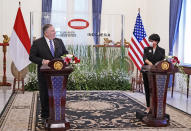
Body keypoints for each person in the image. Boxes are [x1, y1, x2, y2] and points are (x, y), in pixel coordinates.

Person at [29, 24, 68, 120]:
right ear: (46, 33)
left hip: (59, 74)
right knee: (45, 94)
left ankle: (57, 113)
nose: (55, 32)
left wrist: (68, 58)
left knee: (57, 94)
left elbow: (65, 53)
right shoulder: (37, 43)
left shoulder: (59, 41)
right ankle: (45, 115)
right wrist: (42, 61)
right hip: (44, 74)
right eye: (52, 31)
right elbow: (32, 57)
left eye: (54, 30)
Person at [142, 33, 165, 113]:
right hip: (147, 72)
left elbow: (162, 61)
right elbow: (145, 59)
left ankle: (156, 107)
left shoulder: (162, 50)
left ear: (156, 41)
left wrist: (157, 66)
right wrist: (151, 64)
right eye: (149, 41)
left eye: (151, 41)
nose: (150, 42)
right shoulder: (146, 49)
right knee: (148, 89)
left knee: (156, 90)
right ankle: (148, 107)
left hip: (157, 74)